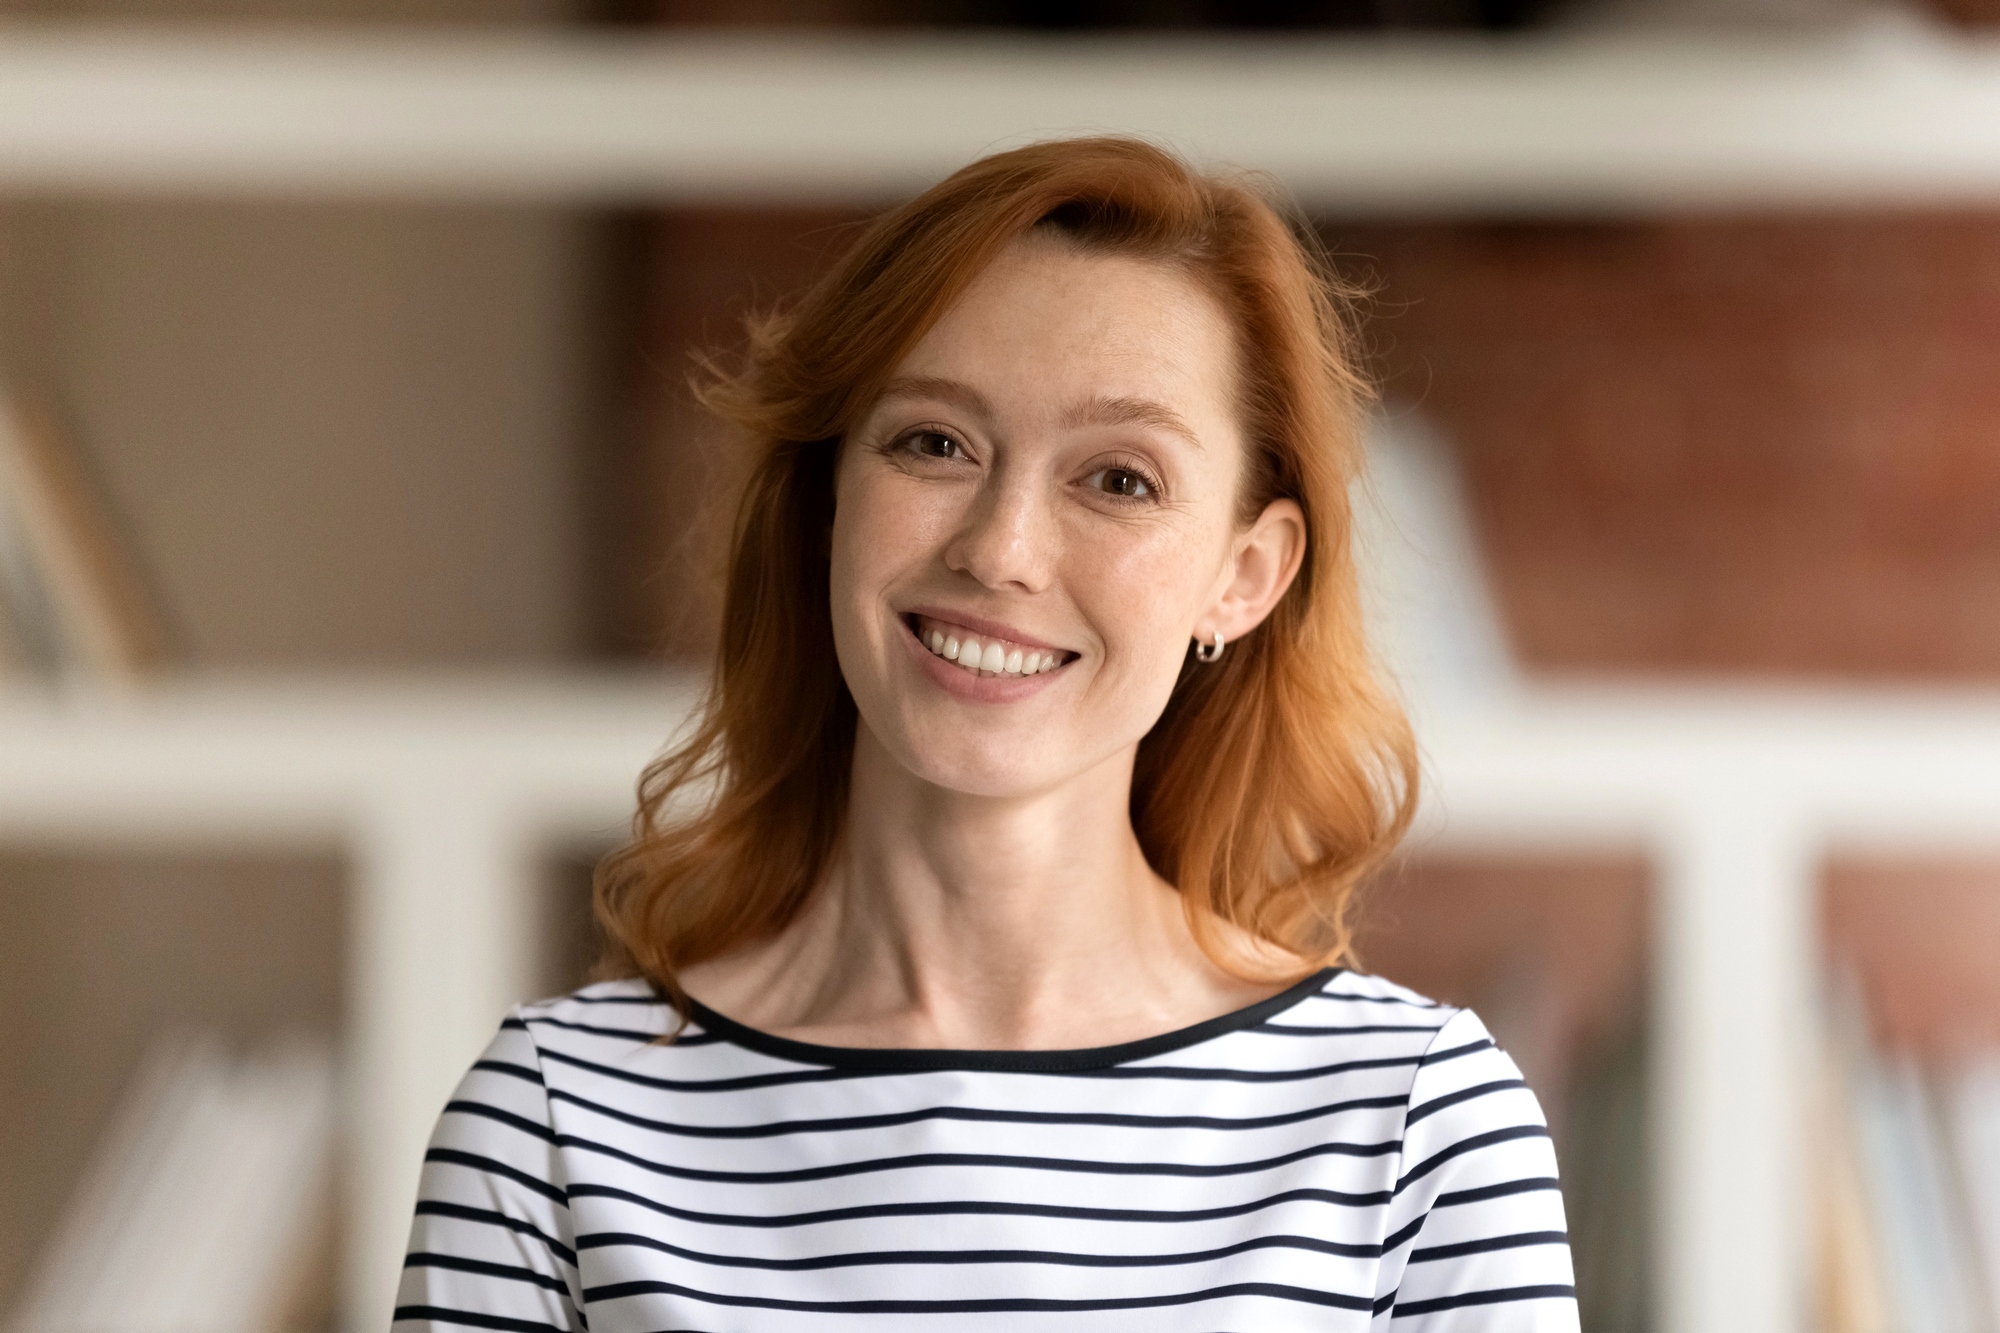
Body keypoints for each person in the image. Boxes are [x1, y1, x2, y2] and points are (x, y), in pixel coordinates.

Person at [395, 137, 1579, 1331]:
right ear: (826, 502)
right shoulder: (553, 1120)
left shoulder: (1415, 1129)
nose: (999, 550)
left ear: (1245, 575)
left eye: (1118, 480)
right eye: (933, 442)